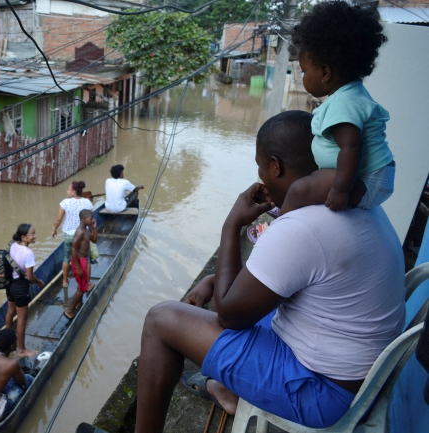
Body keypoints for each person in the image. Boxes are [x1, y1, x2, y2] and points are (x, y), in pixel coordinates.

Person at [134, 110, 406, 432]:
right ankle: (228, 388)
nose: (261, 175)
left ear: (275, 166)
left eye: (260, 166)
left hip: (321, 392)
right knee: (252, 299)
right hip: (355, 369)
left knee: (161, 320)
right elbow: (270, 284)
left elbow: (230, 316)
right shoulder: (357, 203)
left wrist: (231, 223)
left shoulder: (301, 228)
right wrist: (213, 278)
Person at [279, 1, 393, 215]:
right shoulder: (352, 93)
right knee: (312, 181)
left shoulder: (342, 104)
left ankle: (276, 232)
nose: (303, 77)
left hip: (366, 180)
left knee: (300, 190)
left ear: (325, 72)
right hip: (371, 177)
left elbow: (351, 147)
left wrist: (341, 190)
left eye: (304, 71)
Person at [5, 223, 45, 358]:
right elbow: (30, 276)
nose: (35, 236)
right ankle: (21, 350)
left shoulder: (13, 246)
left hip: (10, 284)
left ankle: (7, 342)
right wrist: (39, 282)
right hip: (21, 287)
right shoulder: (28, 253)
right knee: (22, 319)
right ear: (23, 237)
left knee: (10, 311)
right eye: (32, 234)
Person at [52, 180, 93, 288]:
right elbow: (90, 219)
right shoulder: (87, 202)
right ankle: (87, 283)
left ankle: (65, 282)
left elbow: (58, 219)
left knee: (66, 258)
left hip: (69, 235)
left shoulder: (65, 202)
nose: (67, 191)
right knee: (86, 258)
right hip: (83, 235)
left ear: (74, 192)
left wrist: (54, 229)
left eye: (68, 189)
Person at [64, 209, 98, 320]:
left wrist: (94, 227)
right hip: (79, 261)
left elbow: (94, 240)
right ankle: (70, 310)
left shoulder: (86, 230)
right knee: (83, 288)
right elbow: (73, 249)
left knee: (82, 284)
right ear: (84, 219)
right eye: (90, 218)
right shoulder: (80, 232)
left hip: (83, 260)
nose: (92, 219)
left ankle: (79, 303)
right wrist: (78, 267)